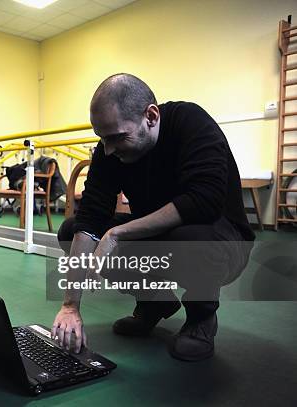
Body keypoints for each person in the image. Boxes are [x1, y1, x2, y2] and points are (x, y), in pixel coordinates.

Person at [52, 73, 254, 361]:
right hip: (159, 236)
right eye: (102, 139)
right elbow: (91, 217)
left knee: (192, 238)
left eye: (117, 137)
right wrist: (70, 306)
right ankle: (155, 302)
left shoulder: (190, 121)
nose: (108, 149)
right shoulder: (109, 149)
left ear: (151, 116)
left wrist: (118, 233)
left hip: (221, 238)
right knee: (71, 230)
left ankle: (201, 319)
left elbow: (203, 201)